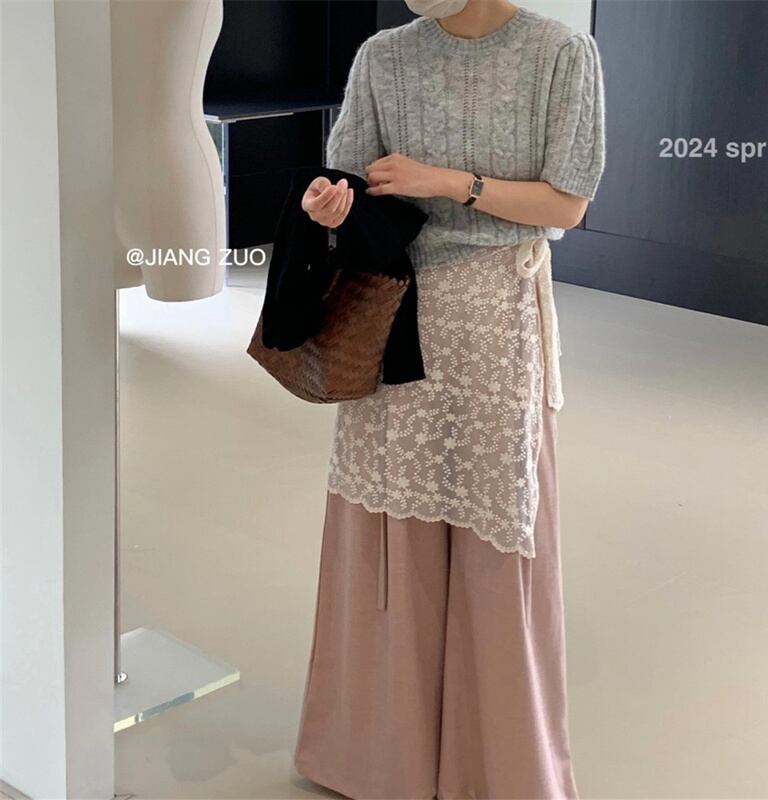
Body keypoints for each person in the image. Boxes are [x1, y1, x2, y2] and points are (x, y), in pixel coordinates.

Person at [293, 0, 606, 797]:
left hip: (496, 317)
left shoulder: (560, 54)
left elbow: (567, 205)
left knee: (495, 533)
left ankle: (496, 770)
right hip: (390, 313)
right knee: (388, 531)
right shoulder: (383, 56)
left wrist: (448, 183)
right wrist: (332, 205)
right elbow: (351, 180)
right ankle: (378, 761)